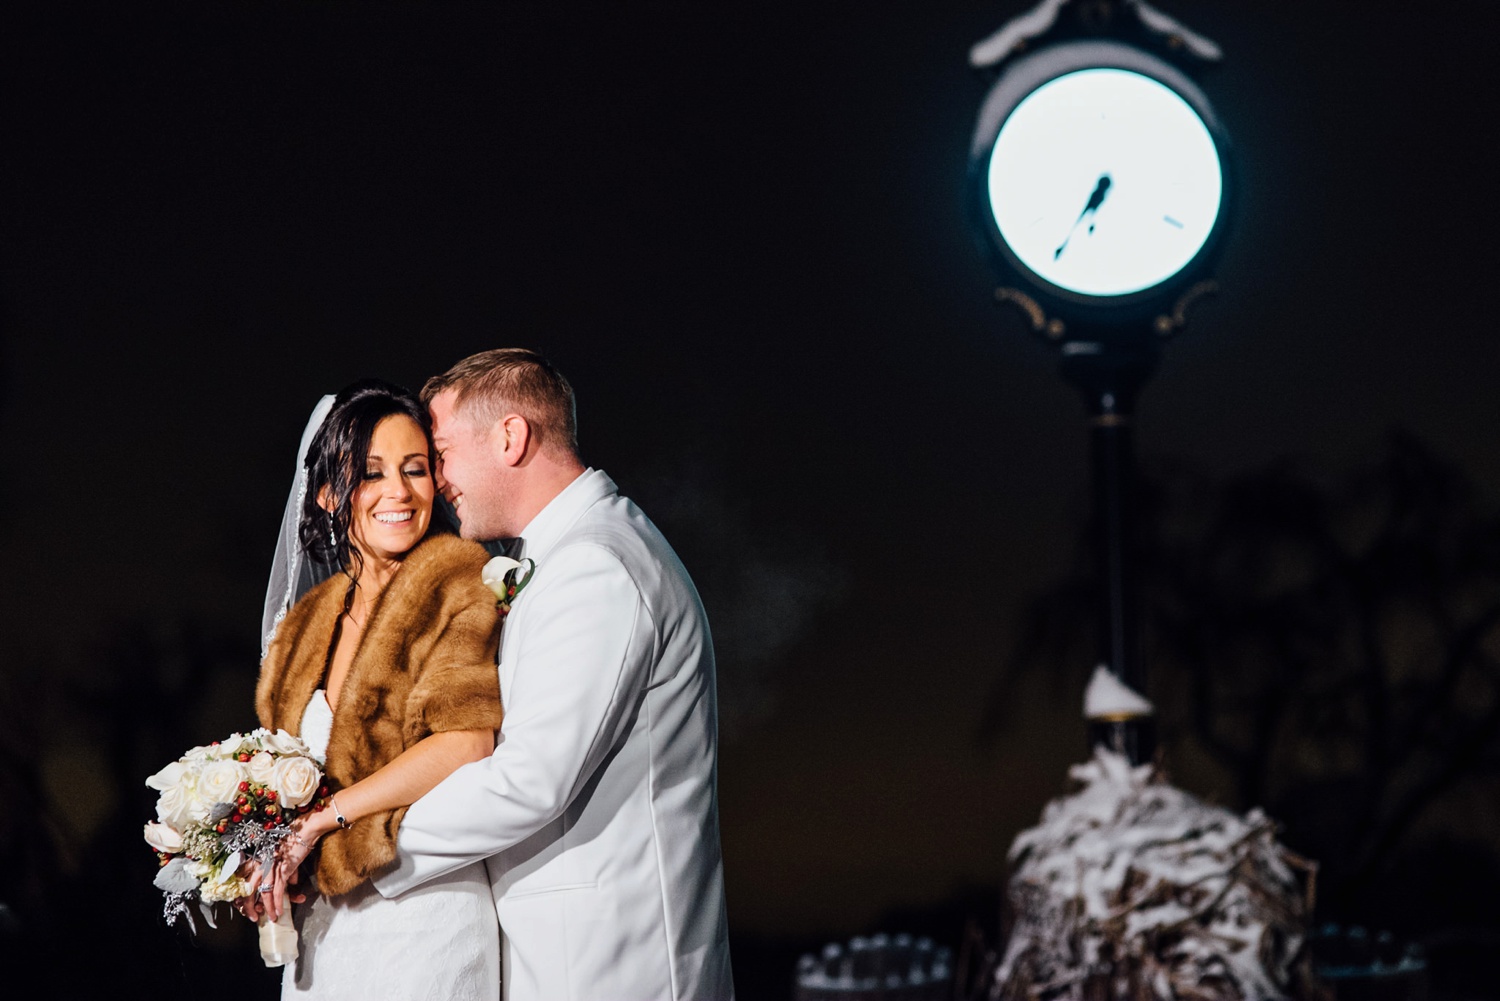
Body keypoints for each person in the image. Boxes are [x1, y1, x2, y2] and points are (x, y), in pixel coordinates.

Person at [358, 348, 733, 1000]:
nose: (436, 481)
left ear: (511, 436)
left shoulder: (600, 564)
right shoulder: (567, 556)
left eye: (441, 452)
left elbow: (532, 780)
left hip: (613, 966)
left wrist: (360, 845)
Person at [243, 379, 505, 999]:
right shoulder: (304, 625)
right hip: (321, 935)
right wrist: (266, 853)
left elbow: (467, 742)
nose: (399, 492)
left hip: (425, 920)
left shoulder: (456, 587)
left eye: (416, 470)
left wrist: (323, 821)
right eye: (372, 473)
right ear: (331, 493)